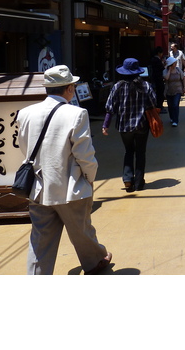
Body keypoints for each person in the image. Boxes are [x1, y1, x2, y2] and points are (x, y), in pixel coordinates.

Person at [16, 64, 111, 275]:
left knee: (40, 239)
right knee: (82, 230)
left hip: (38, 188)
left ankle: (37, 277)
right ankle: (95, 262)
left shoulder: (25, 113)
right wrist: (89, 177)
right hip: (71, 186)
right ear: (68, 88)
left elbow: (25, 149)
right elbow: (84, 154)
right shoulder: (77, 114)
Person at [102, 58, 157, 193]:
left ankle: (128, 180)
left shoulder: (117, 87)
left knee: (128, 151)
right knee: (140, 152)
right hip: (142, 125)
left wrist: (105, 125)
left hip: (124, 126)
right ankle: (138, 182)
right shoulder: (146, 86)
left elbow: (110, 107)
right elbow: (153, 103)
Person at [163, 56, 185, 126]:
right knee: (170, 106)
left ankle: (175, 120)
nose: (176, 64)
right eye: (174, 63)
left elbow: (183, 78)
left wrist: (184, 87)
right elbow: (166, 78)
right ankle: (172, 117)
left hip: (178, 90)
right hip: (168, 91)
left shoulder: (178, 70)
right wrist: (169, 71)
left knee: (175, 105)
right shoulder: (165, 71)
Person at [149, 46, 166, 114]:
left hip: (154, 79)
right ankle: (159, 106)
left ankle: (158, 106)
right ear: (159, 53)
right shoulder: (157, 60)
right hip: (158, 79)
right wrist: (164, 64)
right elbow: (162, 68)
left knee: (157, 93)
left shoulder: (152, 59)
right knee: (160, 93)